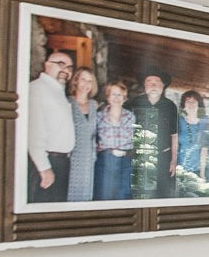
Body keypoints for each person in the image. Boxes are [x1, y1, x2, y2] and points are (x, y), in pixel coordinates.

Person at [23, 49, 75, 203]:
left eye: (70, 67)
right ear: (46, 65)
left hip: (60, 162)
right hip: (46, 162)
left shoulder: (57, 91)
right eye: (61, 64)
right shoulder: (37, 89)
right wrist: (44, 168)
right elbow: (34, 131)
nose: (65, 70)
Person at [132, 71, 180, 199]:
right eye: (149, 82)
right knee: (139, 196)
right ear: (144, 85)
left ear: (163, 86)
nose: (153, 85)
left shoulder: (170, 106)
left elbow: (174, 135)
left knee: (163, 195)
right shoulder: (134, 103)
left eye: (157, 82)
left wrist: (174, 161)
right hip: (140, 160)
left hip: (164, 158)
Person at [93, 80, 136, 201]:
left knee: (124, 198)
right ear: (107, 97)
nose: (116, 98)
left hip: (126, 161)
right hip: (106, 161)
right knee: (104, 197)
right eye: (113, 94)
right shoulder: (99, 116)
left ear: (124, 98)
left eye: (119, 95)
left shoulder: (131, 116)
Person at [64, 66, 100, 202]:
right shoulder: (67, 102)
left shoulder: (94, 105)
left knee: (87, 192)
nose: (86, 84)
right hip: (71, 155)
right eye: (83, 80)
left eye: (89, 81)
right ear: (76, 81)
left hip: (89, 157)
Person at [176, 91, 209, 189]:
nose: (191, 104)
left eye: (194, 101)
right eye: (188, 101)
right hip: (180, 169)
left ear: (199, 104)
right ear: (183, 105)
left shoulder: (206, 121)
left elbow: (205, 148)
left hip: (200, 170)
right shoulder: (178, 121)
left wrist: (202, 174)